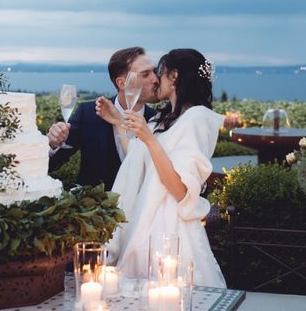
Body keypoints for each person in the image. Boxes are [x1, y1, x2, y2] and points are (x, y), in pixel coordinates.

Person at [96, 49, 226, 288]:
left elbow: (181, 190)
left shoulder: (198, 118)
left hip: (170, 231)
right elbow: (137, 156)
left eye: (160, 72)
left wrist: (149, 139)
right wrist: (117, 121)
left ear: (174, 76)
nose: (156, 79)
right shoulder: (162, 119)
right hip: (143, 221)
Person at [47, 47, 159, 190]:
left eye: (154, 72)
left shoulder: (157, 120)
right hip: (92, 208)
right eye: (145, 74)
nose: (155, 79)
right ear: (122, 83)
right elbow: (51, 164)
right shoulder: (88, 113)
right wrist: (53, 144)